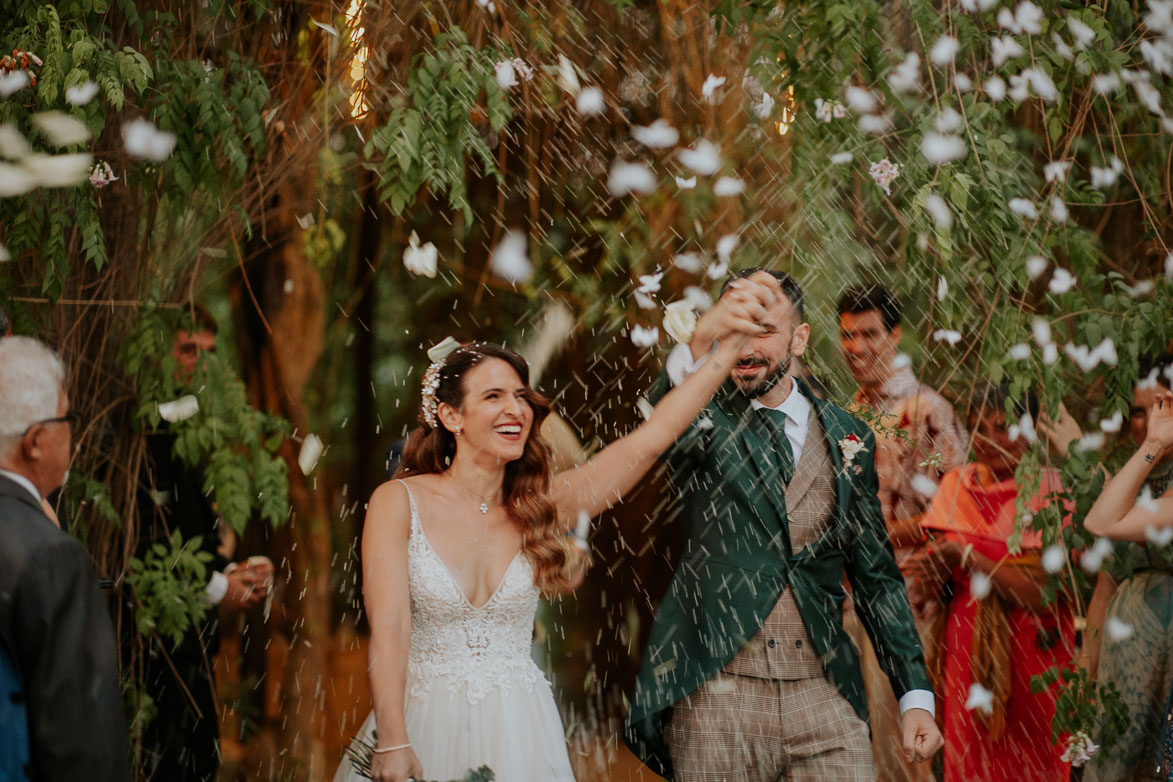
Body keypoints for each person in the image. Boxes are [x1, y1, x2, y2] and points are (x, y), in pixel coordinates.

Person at [334, 275, 779, 782]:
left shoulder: (543, 504)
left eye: (521, 397)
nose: (516, 409)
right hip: (419, 720)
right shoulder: (397, 502)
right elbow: (389, 629)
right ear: (450, 416)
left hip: (518, 727)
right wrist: (394, 738)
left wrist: (726, 349)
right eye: (494, 397)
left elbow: (653, 436)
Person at [625, 269, 941, 781]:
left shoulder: (848, 437)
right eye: (735, 330)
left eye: (763, 330)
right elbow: (653, 435)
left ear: (800, 337)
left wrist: (915, 695)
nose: (746, 347)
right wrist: (700, 343)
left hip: (822, 693)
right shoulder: (701, 419)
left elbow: (876, 578)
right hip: (718, 698)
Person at [907, 382, 1074, 782]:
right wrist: (935, 571)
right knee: (970, 765)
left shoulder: (1053, 490)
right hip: (965, 656)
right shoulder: (955, 486)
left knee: (1033, 766)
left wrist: (969, 557)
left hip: (1035, 656)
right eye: (979, 428)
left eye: (1004, 427)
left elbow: (1046, 597)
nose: (991, 440)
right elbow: (931, 589)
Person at [135, 310, 274, 781]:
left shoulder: (197, 423)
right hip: (156, 643)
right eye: (189, 350)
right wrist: (218, 586)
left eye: (210, 354)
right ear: (160, 355)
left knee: (201, 758)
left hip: (197, 641)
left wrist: (233, 568)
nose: (201, 365)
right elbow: (148, 539)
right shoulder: (145, 429)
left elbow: (191, 530)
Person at [837, 284, 967, 781]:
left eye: (869, 333)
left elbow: (956, 511)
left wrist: (874, 535)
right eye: (848, 335)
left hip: (909, 608)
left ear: (894, 336)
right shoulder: (849, 412)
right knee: (861, 753)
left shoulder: (926, 410)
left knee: (905, 755)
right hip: (850, 601)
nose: (858, 347)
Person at [0, 336, 130, 781]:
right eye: (66, 418)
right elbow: (83, 746)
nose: (73, 433)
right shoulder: (50, 555)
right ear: (35, 441)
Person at [1081, 358, 1173, 782]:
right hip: (1130, 655)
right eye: (1140, 411)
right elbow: (1101, 527)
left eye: (1162, 405)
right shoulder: (1142, 482)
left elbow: (1102, 521)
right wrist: (1087, 672)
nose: (1151, 419)